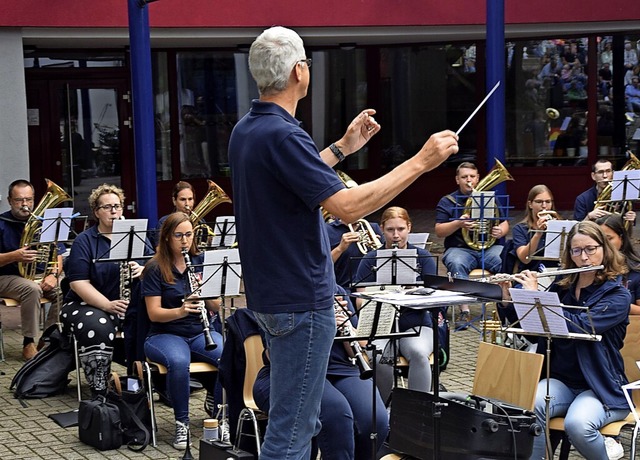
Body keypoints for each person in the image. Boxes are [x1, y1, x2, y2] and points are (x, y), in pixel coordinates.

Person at [228, 25, 458, 460]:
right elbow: (348, 207)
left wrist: (341, 148)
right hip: (300, 301)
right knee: (292, 433)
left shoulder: (249, 127)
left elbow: (294, 176)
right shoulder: (284, 133)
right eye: (308, 63)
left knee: (297, 421)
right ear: (299, 71)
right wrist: (420, 163)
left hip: (272, 296)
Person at [500, 221, 630, 460]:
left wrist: (538, 297)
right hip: (562, 381)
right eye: (576, 250)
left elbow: (581, 326)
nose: (584, 257)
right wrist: (510, 300)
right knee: (528, 407)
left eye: (591, 249)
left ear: (604, 249)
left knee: (577, 425)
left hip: (599, 385)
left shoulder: (618, 295)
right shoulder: (562, 289)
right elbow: (532, 333)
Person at [253, 286, 389, 460]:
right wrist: (322, 327)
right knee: (337, 414)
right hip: (297, 370)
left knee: (374, 418)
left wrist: (346, 326)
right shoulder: (282, 293)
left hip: (342, 368)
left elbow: (357, 347)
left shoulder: (335, 290)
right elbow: (273, 355)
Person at [142, 212, 224, 450]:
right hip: (164, 334)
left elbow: (216, 306)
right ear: (167, 238)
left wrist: (205, 292)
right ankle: (182, 423)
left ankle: (220, 418)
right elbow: (154, 313)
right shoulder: (155, 268)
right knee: (179, 362)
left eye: (188, 234)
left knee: (227, 355)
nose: (185, 240)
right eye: (178, 235)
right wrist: (181, 310)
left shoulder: (201, 262)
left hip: (199, 332)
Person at [59, 184, 146, 394]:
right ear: (96, 212)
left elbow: (155, 264)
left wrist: (142, 269)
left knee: (151, 321)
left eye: (117, 206)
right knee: (98, 325)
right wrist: (107, 305)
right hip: (86, 304)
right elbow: (78, 283)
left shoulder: (134, 235)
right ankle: (101, 386)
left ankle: (142, 383)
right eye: (107, 207)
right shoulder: (85, 241)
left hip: (128, 305)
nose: (114, 211)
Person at [354, 206, 438, 403]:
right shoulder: (370, 259)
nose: (396, 235)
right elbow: (360, 300)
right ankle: (381, 410)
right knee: (379, 357)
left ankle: (417, 411)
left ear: (409, 228)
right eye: (390, 230)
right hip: (380, 324)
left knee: (418, 354)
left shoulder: (423, 257)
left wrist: (412, 292)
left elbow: (434, 298)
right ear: (382, 229)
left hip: (415, 322)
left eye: (400, 229)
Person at [434, 162, 508, 328]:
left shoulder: (488, 198)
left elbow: (504, 223)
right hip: (460, 249)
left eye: (472, 176)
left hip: (489, 248)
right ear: (457, 180)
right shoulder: (448, 201)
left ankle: (505, 308)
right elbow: (439, 230)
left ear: (478, 178)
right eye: (464, 177)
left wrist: (500, 231)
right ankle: (465, 311)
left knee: (506, 258)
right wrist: (458, 224)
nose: (469, 180)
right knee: (455, 262)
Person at [0, 179, 64, 360]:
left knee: (66, 288)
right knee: (32, 289)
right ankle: (28, 342)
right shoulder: (1, 223)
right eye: (19, 200)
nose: (25, 204)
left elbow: (57, 253)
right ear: (9, 200)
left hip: (40, 275)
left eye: (29, 199)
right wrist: (14, 256)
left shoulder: (45, 222)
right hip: (7, 276)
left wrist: (53, 275)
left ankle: (48, 339)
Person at [597, 213, 640, 315]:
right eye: (599, 240)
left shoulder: (636, 270)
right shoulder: (591, 268)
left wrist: (615, 304)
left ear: (621, 238)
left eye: (609, 239)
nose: (604, 244)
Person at [327, 216, 383, 291]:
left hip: (370, 288)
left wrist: (377, 247)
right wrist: (340, 248)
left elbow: (383, 259)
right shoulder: (328, 230)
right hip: (342, 289)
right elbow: (322, 265)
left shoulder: (372, 227)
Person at [574, 159, 637, 224]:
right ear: (593, 176)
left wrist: (631, 218)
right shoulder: (582, 199)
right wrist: (589, 217)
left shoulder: (624, 196)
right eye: (600, 172)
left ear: (613, 173)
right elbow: (577, 228)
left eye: (608, 171)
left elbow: (628, 225)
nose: (605, 176)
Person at [150, 181, 196, 248]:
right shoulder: (164, 222)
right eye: (183, 199)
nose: (187, 204)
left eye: (190, 199)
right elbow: (160, 248)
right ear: (174, 201)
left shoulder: (200, 221)